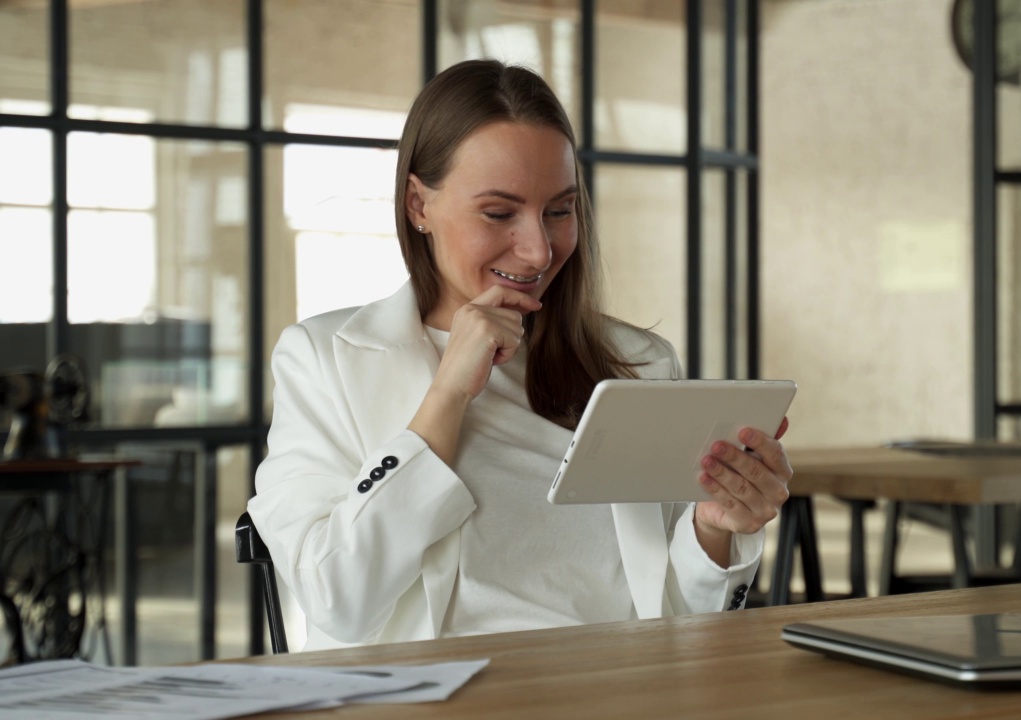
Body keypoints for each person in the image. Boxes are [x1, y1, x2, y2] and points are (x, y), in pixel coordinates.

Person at [248, 59, 793, 651]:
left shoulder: (639, 363)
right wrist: (447, 396)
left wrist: (715, 530)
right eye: (499, 213)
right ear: (417, 205)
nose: (537, 251)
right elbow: (339, 601)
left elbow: (680, 625)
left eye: (559, 210)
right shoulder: (324, 361)